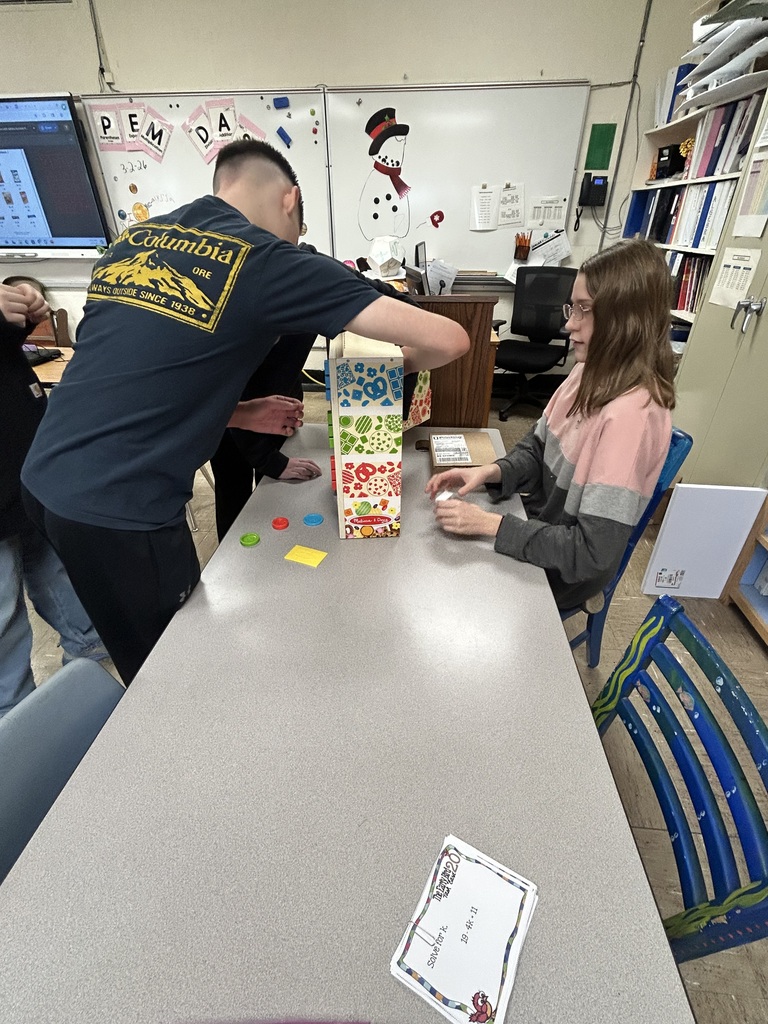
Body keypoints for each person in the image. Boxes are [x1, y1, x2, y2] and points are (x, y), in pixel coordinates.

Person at [22, 138, 469, 684]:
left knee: (130, 635)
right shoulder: (269, 260)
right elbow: (450, 340)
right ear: (292, 201)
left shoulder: (136, 241)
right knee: (174, 667)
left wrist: (235, 411)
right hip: (121, 506)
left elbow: (131, 377)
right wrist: (368, 371)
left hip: (44, 476)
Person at [426, 238, 675, 610]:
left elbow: (590, 554)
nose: (568, 324)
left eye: (584, 310)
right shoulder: (586, 372)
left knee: (459, 599)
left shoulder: (632, 419)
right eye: (571, 308)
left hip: (565, 570)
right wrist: (490, 471)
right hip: (541, 525)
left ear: (626, 320)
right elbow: (538, 447)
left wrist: (489, 525)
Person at [0, 280, 108, 717]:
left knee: (60, 578)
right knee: (4, 623)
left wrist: (20, 310)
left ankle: (92, 679)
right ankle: (17, 731)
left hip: (29, 478)